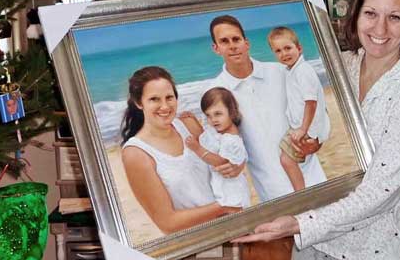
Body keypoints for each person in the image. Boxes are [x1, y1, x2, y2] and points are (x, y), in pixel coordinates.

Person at [235, 0, 400, 260]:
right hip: (316, 246)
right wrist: (253, 0)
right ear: (355, 15)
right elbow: (270, 72)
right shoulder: (340, 65)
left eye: (394, 16)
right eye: (371, 13)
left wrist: (299, 224)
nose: (380, 27)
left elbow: (379, 193)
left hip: (371, 255)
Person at [207, 15, 327, 202]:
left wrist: (317, 142)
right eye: (224, 41)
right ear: (216, 48)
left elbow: (318, 109)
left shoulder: (281, 72)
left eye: (236, 39)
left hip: (313, 180)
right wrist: (234, 165)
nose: (232, 45)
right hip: (272, 193)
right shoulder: (215, 92)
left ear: (246, 43)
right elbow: (223, 143)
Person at [120, 66, 238, 234]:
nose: (165, 106)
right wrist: (223, 206)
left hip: (234, 224)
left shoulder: (188, 125)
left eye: (169, 97)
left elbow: (221, 166)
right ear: (139, 103)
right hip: (200, 240)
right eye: (154, 99)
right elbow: (168, 223)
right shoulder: (136, 153)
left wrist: (232, 167)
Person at [267, 26, 331, 191]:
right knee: (286, 157)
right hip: (301, 125)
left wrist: (303, 129)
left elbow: (311, 102)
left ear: (299, 48)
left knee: (286, 160)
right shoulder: (292, 70)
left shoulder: (303, 71)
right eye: (278, 51)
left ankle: (300, 192)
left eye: (288, 48)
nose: (284, 54)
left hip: (307, 128)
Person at [185, 87, 251, 209]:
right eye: (208, 116)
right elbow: (207, 140)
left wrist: (197, 149)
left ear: (232, 112)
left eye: (218, 114)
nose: (213, 120)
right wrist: (194, 121)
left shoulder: (232, 140)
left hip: (234, 197)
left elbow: (222, 162)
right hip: (224, 195)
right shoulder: (221, 134)